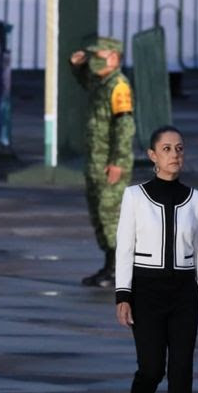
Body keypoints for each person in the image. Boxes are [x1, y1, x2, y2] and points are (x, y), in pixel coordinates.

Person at [114, 126, 198, 393]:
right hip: (147, 291)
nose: (175, 155)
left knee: (182, 373)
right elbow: (124, 247)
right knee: (152, 369)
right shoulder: (135, 196)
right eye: (167, 149)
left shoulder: (196, 199)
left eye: (180, 149)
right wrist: (123, 295)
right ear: (152, 155)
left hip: (184, 292)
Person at [70, 37, 135, 287]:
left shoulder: (118, 85)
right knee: (99, 213)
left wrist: (117, 161)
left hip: (110, 161)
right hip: (96, 159)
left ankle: (120, 268)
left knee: (111, 214)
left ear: (115, 58)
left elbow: (124, 126)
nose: (95, 60)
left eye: (100, 56)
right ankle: (110, 264)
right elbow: (83, 80)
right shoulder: (101, 83)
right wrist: (77, 65)